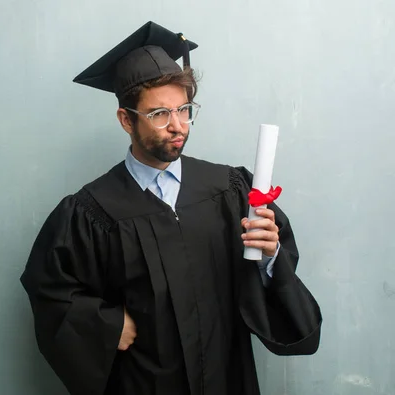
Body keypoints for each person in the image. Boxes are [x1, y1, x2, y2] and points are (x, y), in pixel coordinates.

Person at [20, 21, 322, 395]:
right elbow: (51, 291)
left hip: (226, 379)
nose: (177, 126)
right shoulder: (91, 211)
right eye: (159, 114)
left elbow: (272, 276)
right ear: (126, 119)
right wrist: (106, 324)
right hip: (142, 385)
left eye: (184, 109)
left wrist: (270, 257)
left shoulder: (229, 189)